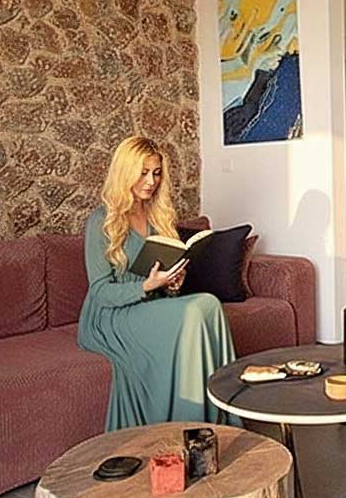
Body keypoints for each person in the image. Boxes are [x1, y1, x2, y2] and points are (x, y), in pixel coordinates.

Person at [78, 136, 237, 430]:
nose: (151, 181)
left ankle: (221, 417)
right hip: (111, 316)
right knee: (194, 311)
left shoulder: (157, 215)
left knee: (210, 305)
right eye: (143, 173)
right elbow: (99, 292)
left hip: (152, 302)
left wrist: (172, 283)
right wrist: (147, 286)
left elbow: (162, 276)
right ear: (125, 172)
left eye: (156, 173)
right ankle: (189, 425)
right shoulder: (101, 221)